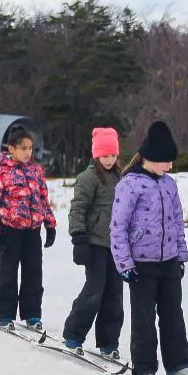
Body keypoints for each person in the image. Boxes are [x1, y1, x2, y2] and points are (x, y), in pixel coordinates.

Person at [108, 121, 188, 375]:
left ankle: (179, 365)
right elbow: (118, 226)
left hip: (169, 261)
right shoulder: (130, 184)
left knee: (173, 315)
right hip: (141, 265)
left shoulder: (169, 184)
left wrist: (181, 256)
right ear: (150, 158)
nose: (170, 167)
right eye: (165, 161)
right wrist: (124, 264)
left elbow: (177, 221)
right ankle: (144, 369)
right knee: (144, 318)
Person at [0, 124, 57, 328]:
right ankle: (5, 313)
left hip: (32, 231)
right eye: (23, 148)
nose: (28, 153)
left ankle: (32, 313)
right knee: (8, 272)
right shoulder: (1, 175)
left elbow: (44, 199)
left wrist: (50, 224)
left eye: (30, 148)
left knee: (34, 272)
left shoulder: (36, 171)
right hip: (10, 230)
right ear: (11, 149)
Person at [62, 127, 125, 356]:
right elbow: (78, 209)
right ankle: (73, 335)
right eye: (105, 155)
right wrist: (79, 238)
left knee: (114, 296)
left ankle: (109, 343)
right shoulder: (88, 178)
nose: (109, 160)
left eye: (113, 155)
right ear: (96, 155)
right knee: (94, 291)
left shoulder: (122, 178)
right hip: (95, 244)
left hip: (117, 247)